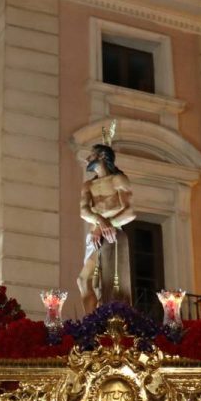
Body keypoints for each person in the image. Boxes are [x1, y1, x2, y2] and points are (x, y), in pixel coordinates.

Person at [77, 123, 135, 313]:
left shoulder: (118, 180)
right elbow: (84, 211)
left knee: (109, 284)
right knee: (83, 280)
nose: (88, 159)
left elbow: (130, 212)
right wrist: (100, 223)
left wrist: (105, 225)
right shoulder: (88, 186)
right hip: (96, 235)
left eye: (91, 155)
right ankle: (90, 322)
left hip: (113, 235)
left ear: (102, 157)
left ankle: (107, 320)